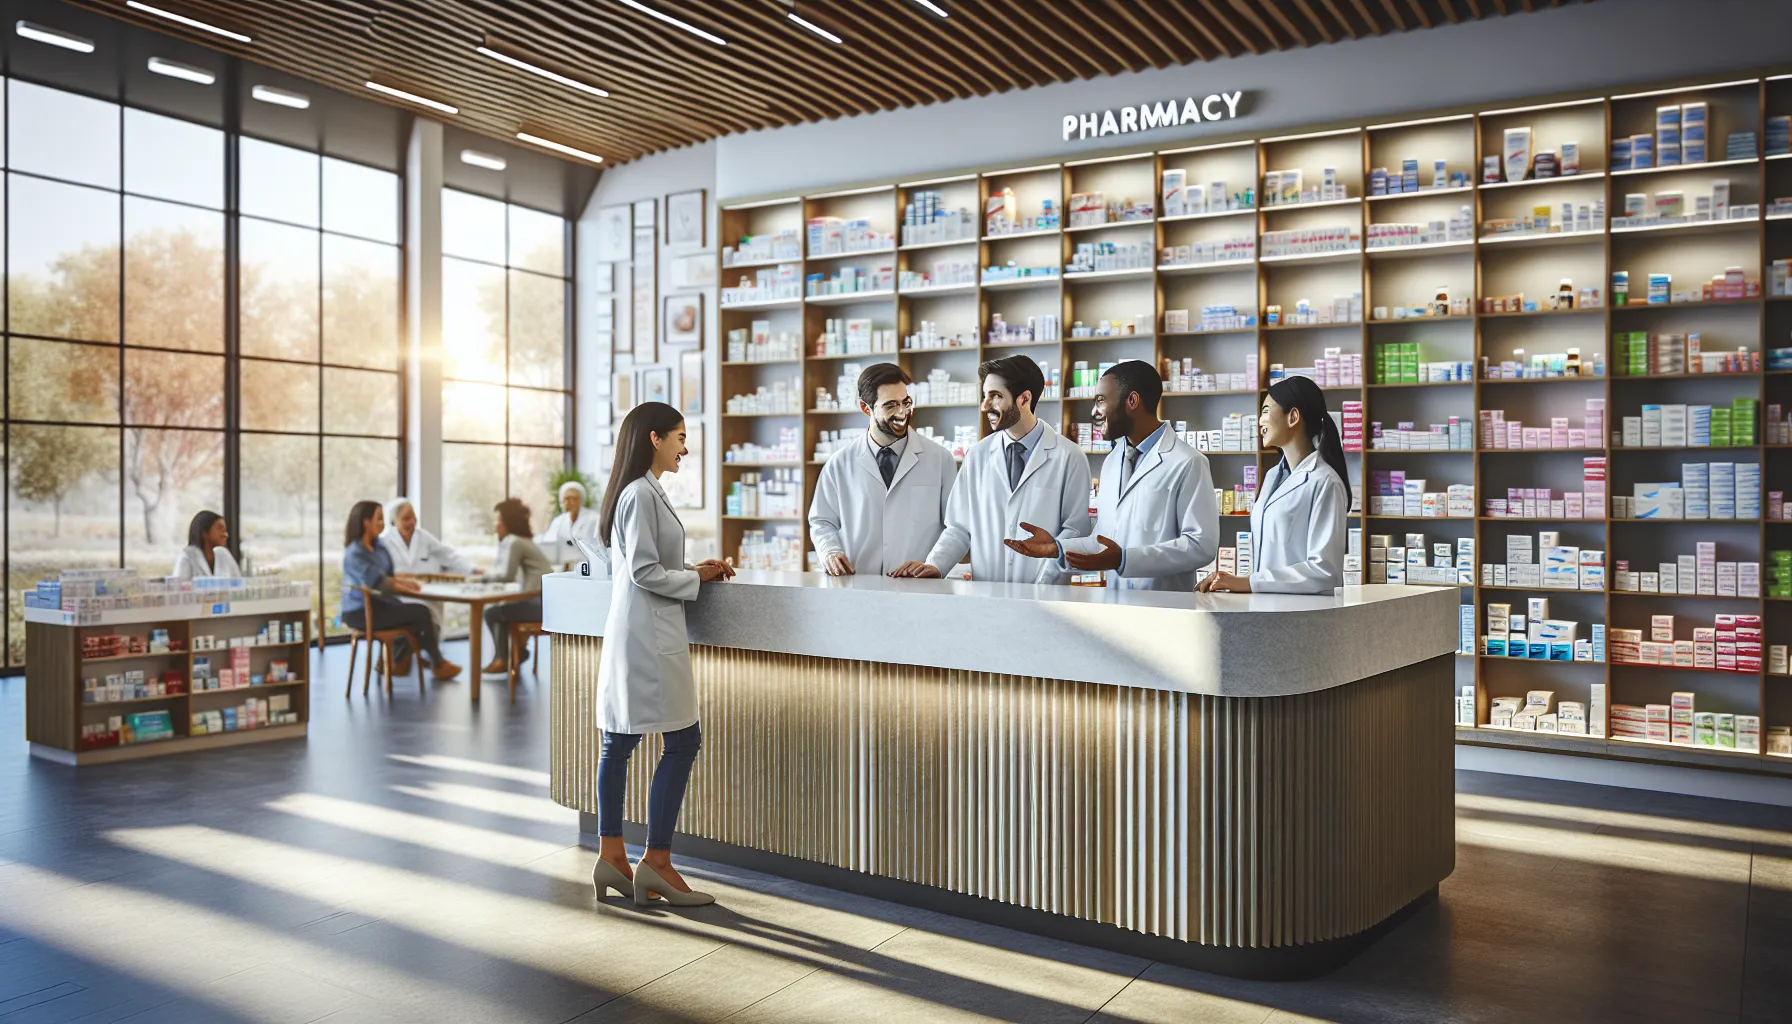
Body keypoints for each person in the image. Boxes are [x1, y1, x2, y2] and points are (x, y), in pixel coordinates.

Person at [590, 401, 734, 908]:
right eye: (678, 437)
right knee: (682, 740)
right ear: (654, 439)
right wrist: (698, 578)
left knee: (620, 742)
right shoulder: (640, 494)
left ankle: (614, 857)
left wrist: (695, 567)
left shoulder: (637, 493)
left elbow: (645, 562)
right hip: (648, 639)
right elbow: (645, 573)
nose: (685, 447)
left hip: (637, 635)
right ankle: (656, 861)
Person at [1003, 360, 1219, 591]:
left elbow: (1200, 546)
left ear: (1132, 401)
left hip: (1165, 609)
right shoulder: (1113, 461)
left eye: (1101, 401)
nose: (1094, 411)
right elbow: (1103, 540)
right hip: (1116, 607)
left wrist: (1125, 560)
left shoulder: (1187, 462)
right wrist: (1057, 548)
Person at [892, 354, 1091, 583]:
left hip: (1047, 595)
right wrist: (936, 565)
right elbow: (958, 528)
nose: (985, 406)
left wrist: (1045, 582)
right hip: (987, 594)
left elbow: (1075, 532)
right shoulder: (977, 455)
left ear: (1024, 399)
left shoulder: (1069, 457)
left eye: (996, 396)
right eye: (985, 396)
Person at [1197, 375, 1350, 594]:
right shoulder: (1271, 477)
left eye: (1266, 411)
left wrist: (1250, 582)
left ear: (1293, 416)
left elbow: (1325, 571)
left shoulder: (1325, 482)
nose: (1260, 421)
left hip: (1304, 615)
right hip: (1266, 610)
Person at [808, 363, 958, 577]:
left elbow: (956, 525)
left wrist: (936, 563)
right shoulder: (839, 463)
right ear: (865, 408)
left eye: (906, 403)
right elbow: (822, 521)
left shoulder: (940, 459)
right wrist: (830, 551)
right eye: (890, 405)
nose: (902, 413)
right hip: (858, 586)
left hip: (919, 589)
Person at [341, 500, 463, 680]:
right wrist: (401, 585)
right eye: (379, 519)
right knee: (420, 613)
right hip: (359, 612)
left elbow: (389, 575)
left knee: (420, 618)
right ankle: (436, 664)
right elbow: (376, 581)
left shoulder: (378, 547)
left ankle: (395, 661)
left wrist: (404, 582)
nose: (383, 524)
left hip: (378, 605)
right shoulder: (355, 552)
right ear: (366, 522)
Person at [479, 498, 553, 676]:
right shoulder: (524, 541)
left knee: (492, 612)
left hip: (539, 605)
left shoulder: (515, 542)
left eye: (499, 520)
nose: (497, 526)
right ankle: (516, 654)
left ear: (508, 522)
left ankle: (503, 659)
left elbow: (506, 575)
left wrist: (483, 578)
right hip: (546, 603)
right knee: (500, 610)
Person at [539, 480, 599, 568]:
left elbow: (599, 547)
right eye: (567, 498)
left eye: (574, 499)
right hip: (564, 569)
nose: (570, 502)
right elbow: (549, 545)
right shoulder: (558, 521)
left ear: (581, 500)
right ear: (562, 501)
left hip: (587, 568)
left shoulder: (594, 518)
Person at [171, 511, 241, 580]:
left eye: (225, 530)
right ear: (205, 533)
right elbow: (179, 587)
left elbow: (238, 583)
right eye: (220, 529)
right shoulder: (187, 556)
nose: (226, 535)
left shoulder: (223, 554)